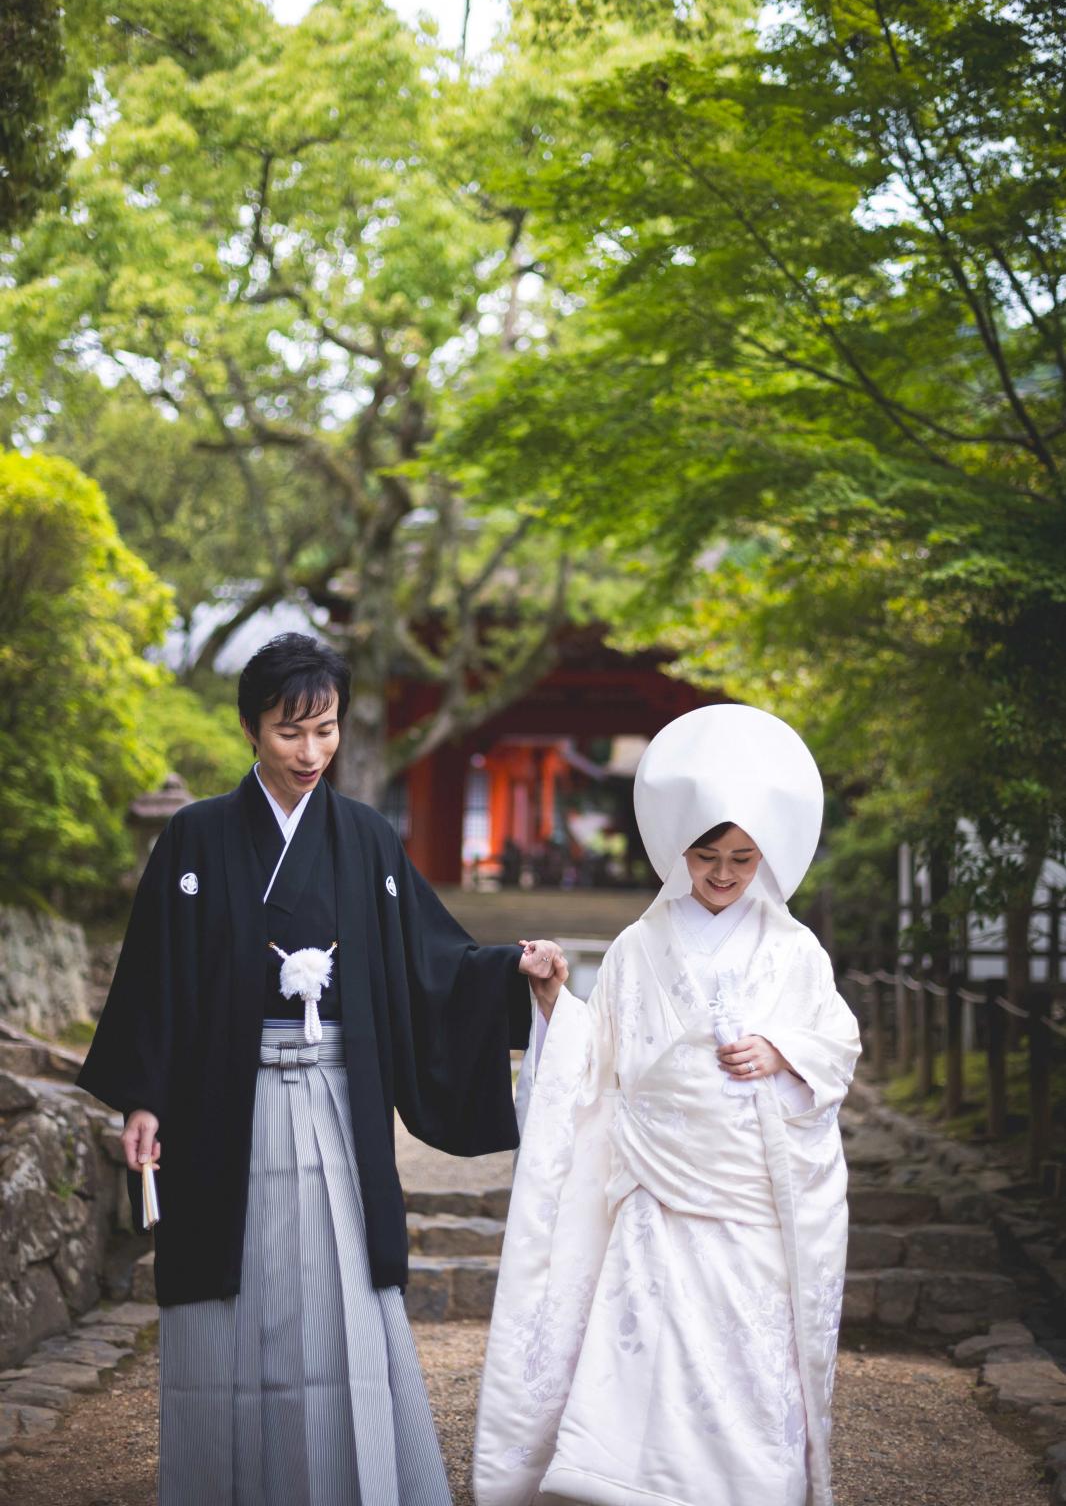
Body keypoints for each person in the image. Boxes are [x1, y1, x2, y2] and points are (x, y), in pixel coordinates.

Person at [77, 632, 566, 1506]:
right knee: (227, 1294)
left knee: (340, 1293)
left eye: (327, 731)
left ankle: (350, 1478)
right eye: (289, 733)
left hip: (338, 1100)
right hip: (221, 1104)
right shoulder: (193, 839)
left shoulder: (365, 839)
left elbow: (429, 959)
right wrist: (143, 1098)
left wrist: (507, 972)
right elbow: (156, 976)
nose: (311, 754)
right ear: (250, 729)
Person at [474, 704, 861, 1506]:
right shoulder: (637, 947)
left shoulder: (796, 950)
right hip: (655, 1186)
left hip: (751, 1187)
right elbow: (597, 1062)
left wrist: (781, 1049)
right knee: (646, 1344)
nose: (723, 874)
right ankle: (631, 1484)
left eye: (743, 858)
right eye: (708, 855)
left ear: (768, 856)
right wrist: (553, 997)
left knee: (747, 1355)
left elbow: (837, 1043)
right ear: (680, 850)